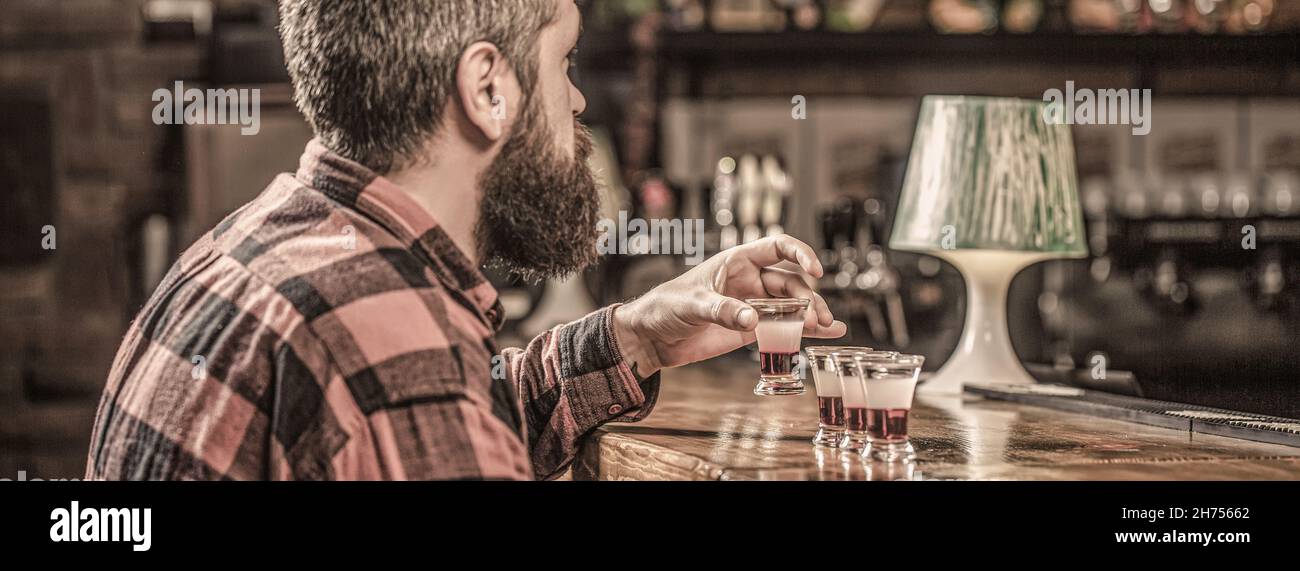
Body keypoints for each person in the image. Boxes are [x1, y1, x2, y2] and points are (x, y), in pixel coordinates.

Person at [86, 0, 845, 480]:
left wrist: (638, 335)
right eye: (564, 61)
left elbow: (434, 420)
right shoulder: (383, 339)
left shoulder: (241, 249)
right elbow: (405, 401)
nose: (577, 99)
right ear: (489, 90)